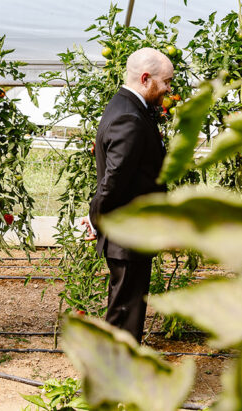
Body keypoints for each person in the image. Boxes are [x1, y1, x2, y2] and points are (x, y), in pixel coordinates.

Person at [88, 47, 174, 343]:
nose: (168, 89)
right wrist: (97, 218)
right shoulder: (130, 118)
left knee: (129, 308)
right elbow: (113, 181)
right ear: (146, 78)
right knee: (125, 312)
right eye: (166, 82)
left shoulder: (129, 109)